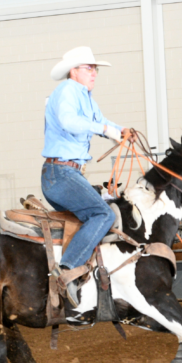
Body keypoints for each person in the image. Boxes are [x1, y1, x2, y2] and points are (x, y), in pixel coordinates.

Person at [42, 45, 131, 306]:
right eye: (89, 68)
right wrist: (106, 128)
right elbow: (70, 122)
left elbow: (100, 121)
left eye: (95, 69)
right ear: (74, 71)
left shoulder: (85, 96)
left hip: (67, 172)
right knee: (102, 214)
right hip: (61, 173)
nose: (94, 73)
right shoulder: (68, 91)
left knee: (96, 215)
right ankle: (66, 271)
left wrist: (120, 129)